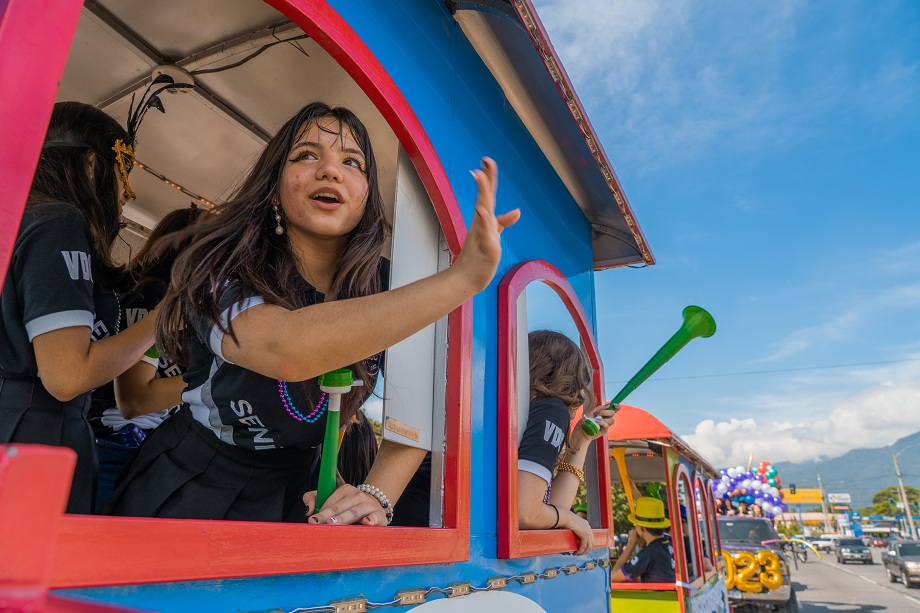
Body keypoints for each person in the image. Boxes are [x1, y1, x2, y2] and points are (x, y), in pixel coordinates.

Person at [104, 101, 519, 524]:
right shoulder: (218, 265)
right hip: (191, 483)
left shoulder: (390, 287)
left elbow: (422, 404)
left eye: (352, 162)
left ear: (367, 196)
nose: (330, 170)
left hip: (299, 494)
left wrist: (376, 494)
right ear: (274, 183)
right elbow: (287, 350)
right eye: (306, 155)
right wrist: (461, 280)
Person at [0, 102, 160, 513]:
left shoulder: (20, 219)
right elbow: (67, 376)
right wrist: (165, 317)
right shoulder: (58, 221)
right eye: (123, 173)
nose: (126, 194)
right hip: (35, 431)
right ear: (91, 164)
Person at [92, 206, 207, 511]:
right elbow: (134, 400)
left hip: (139, 450)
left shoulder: (165, 300)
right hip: (116, 447)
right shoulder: (154, 297)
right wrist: (214, 381)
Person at [517, 330, 617, 555]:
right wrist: (573, 520)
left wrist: (582, 437)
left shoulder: (523, 411)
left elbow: (551, 511)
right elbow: (526, 512)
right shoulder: (552, 408)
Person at [611, 497, 677, 583]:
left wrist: (631, 544)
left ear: (641, 528)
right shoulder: (670, 543)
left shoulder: (649, 553)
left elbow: (613, 577)